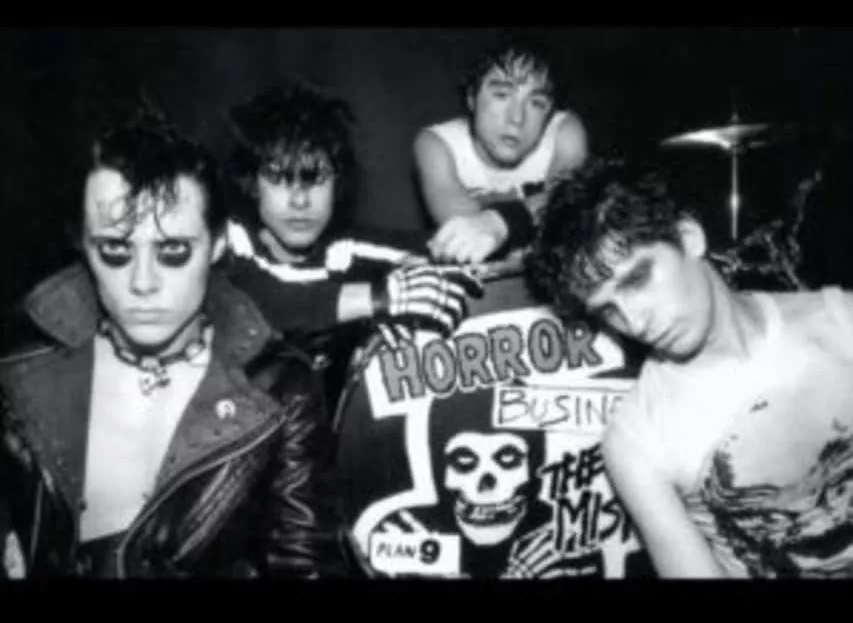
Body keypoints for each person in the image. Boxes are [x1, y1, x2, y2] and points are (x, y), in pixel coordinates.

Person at [0, 103, 345, 578]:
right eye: (115, 250)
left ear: (218, 245)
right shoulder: (18, 372)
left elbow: (305, 566)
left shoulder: (278, 388)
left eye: (174, 251)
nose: (143, 282)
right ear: (83, 246)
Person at [527, 157, 853, 578]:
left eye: (637, 279)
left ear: (688, 237)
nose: (635, 321)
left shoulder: (840, 319)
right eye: (607, 309)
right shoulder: (637, 439)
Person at [222, 82, 483, 420]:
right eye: (278, 178)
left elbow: (452, 250)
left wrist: (494, 225)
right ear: (252, 183)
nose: (300, 200)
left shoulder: (345, 249)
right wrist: (377, 300)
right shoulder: (225, 243)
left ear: (338, 183)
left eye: (317, 178)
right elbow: (262, 304)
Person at [414, 30, 588, 266]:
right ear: (472, 98)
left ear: (549, 114)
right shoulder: (437, 144)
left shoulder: (565, 131)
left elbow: (569, 201)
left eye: (536, 103)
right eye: (502, 95)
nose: (516, 118)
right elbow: (467, 233)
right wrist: (510, 224)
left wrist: (501, 222)